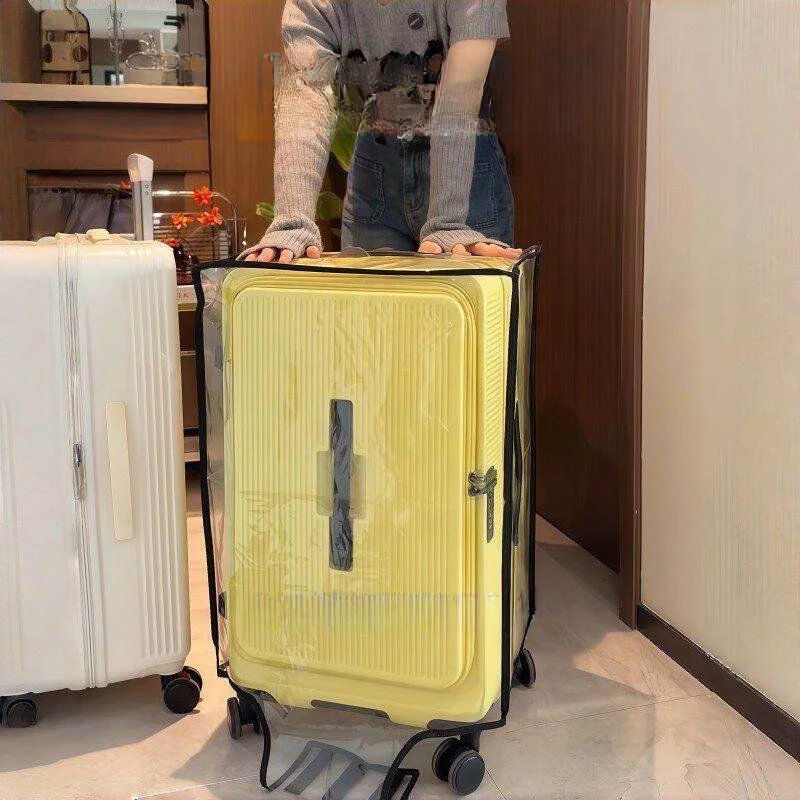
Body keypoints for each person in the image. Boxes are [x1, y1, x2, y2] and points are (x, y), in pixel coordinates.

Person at [244, 0, 521, 263]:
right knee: (369, 299)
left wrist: (449, 221)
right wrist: (293, 222)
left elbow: (460, 96)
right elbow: (306, 93)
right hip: (375, 177)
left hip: (466, 180)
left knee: (468, 295)